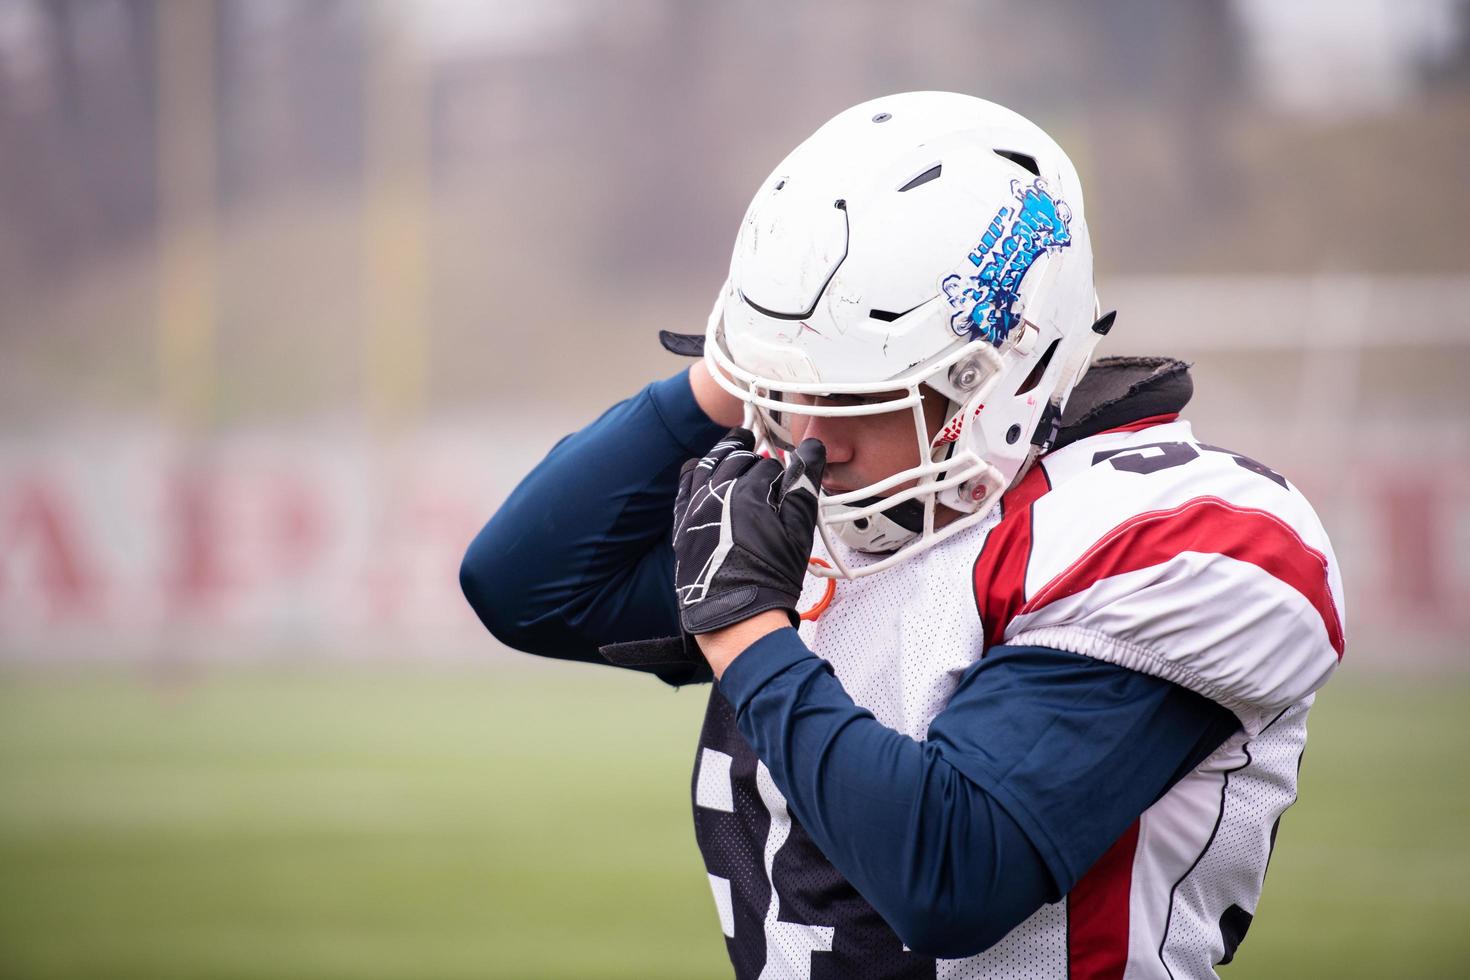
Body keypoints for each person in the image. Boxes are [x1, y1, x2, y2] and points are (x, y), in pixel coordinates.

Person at [460, 92, 1344, 979]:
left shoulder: (1180, 541)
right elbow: (525, 585)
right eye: (785, 393)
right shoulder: (840, 495)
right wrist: (745, 363)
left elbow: (950, 877)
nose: (805, 438)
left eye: (854, 399)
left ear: (996, 376)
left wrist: (745, 629)